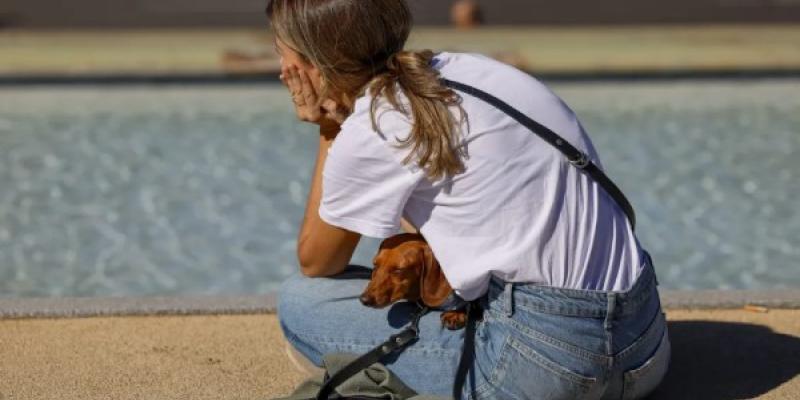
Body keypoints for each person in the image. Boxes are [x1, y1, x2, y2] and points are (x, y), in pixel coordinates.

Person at [268, 0, 670, 398]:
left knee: (300, 302)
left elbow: (317, 261)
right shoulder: (481, 71)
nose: (279, 67)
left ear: (310, 65)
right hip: (646, 347)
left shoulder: (374, 125)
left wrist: (329, 129)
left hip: (547, 372)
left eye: (279, 51)